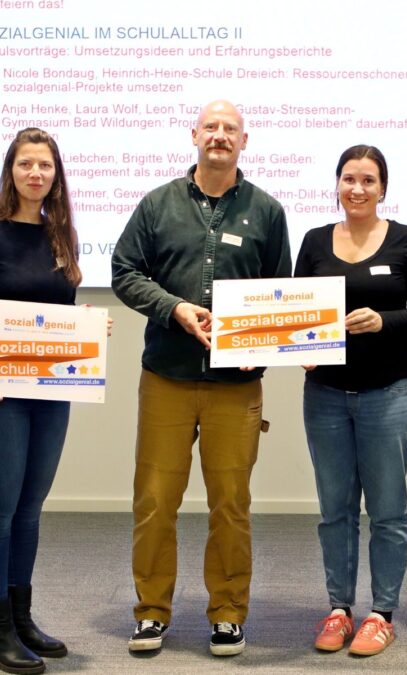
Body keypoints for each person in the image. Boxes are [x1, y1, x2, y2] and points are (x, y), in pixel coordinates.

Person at [111, 99, 291, 657]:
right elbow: (123, 272)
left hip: (236, 387)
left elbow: (280, 294)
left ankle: (229, 613)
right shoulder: (157, 204)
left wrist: (260, 348)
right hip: (166, 376)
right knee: (154, 501)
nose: (219, 135)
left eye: (230, 128)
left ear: (244, 141)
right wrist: (174, 309)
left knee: (231, 504)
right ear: (194, 135)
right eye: (210, 126)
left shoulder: (267, 211)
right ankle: (151, 611)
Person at [0, 127, 102, 674]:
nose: (36, 173)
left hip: (50, 395)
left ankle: (21, 619)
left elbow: (55, 315)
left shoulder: (60, 234)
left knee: (29, 510)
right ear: (11, 170)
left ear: (56, 175)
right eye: (26, 163)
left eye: (45, 165)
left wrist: (84, 334)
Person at [293, 145, 407, 657]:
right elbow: (294, 311)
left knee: (387, 511)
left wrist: (389, 325)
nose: (357, 189)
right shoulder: (314, 241)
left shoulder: (406, 240)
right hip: (326, 397)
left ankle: (382, 615)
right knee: (334, 511)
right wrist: (299, 349)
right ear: (337, 184)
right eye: (349, 179)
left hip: (389, 395)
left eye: (368, 180)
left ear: (383, 189)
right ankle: (339, 608)